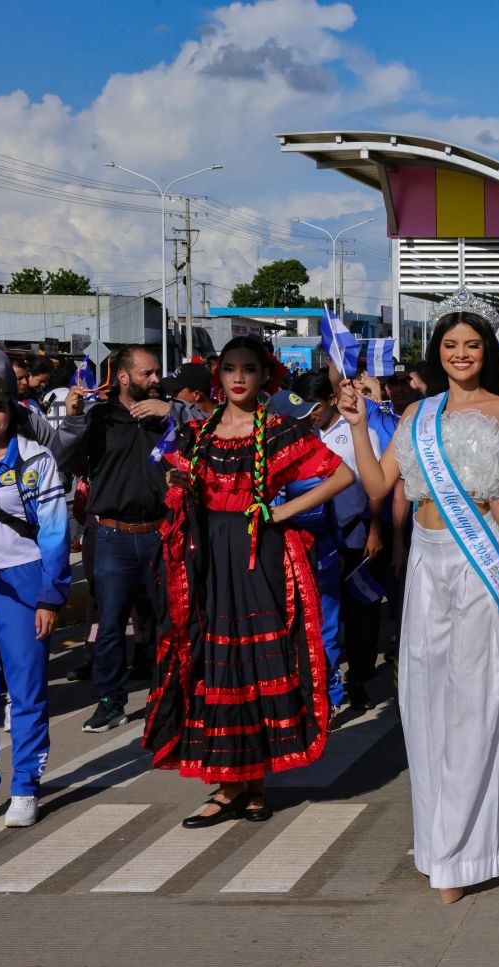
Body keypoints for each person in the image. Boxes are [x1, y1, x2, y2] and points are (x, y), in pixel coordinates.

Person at [339, 292, 499, 905]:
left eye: (471, 344)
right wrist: (356, 427)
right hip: (425, 560)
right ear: (437, 352)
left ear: (486, 351)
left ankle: (464, 852)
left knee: (474, 702)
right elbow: (376, 484)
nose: (459, 354)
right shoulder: (416, 415)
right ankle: (437, 843)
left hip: (481, 559)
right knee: (423, 702)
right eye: (449, 345)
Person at [144, 336, 354, 827]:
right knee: (216, 665)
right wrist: (179, 490)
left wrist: (283, 511)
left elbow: (342, 474)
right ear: (218, 375)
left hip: (260, 554)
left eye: (249, 369)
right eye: (230, 369)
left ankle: (253, 784)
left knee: (257, 665)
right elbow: (179, 490)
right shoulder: (198, 432)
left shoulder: (280, 428)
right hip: (210, 560)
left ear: (265, 376)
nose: (238, 378)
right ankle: (227, 786)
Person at [58, 345, 206, 732]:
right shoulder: (99, 417)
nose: (157, 380)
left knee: (171, 621)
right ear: (123, 377)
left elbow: (214, 425)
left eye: (158, 372)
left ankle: (172, 698)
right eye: (148, 374)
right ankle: (110, 701)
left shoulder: (172, 412)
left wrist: (171, 411)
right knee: (110, 624)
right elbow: (62, 463)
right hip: (112, 535)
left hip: (164, 531)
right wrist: (73, 420)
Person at [0, 373, 70, 829]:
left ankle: (25, 787)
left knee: (25, 693)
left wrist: (49, 596)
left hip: (23, 584)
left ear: (11, 409)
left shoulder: (36, 459)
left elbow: (57, 533)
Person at [288, 372, 384, 713]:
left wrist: (374, 531)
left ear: (330, 401)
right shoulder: (299, 434)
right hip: (316, 536)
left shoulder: (360, 432)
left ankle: (358, 679)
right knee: (321, 616)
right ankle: (321, 688)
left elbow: (375, 485)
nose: (310, 414)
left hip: (354, 534)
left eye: (314, 407)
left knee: (359, 614)